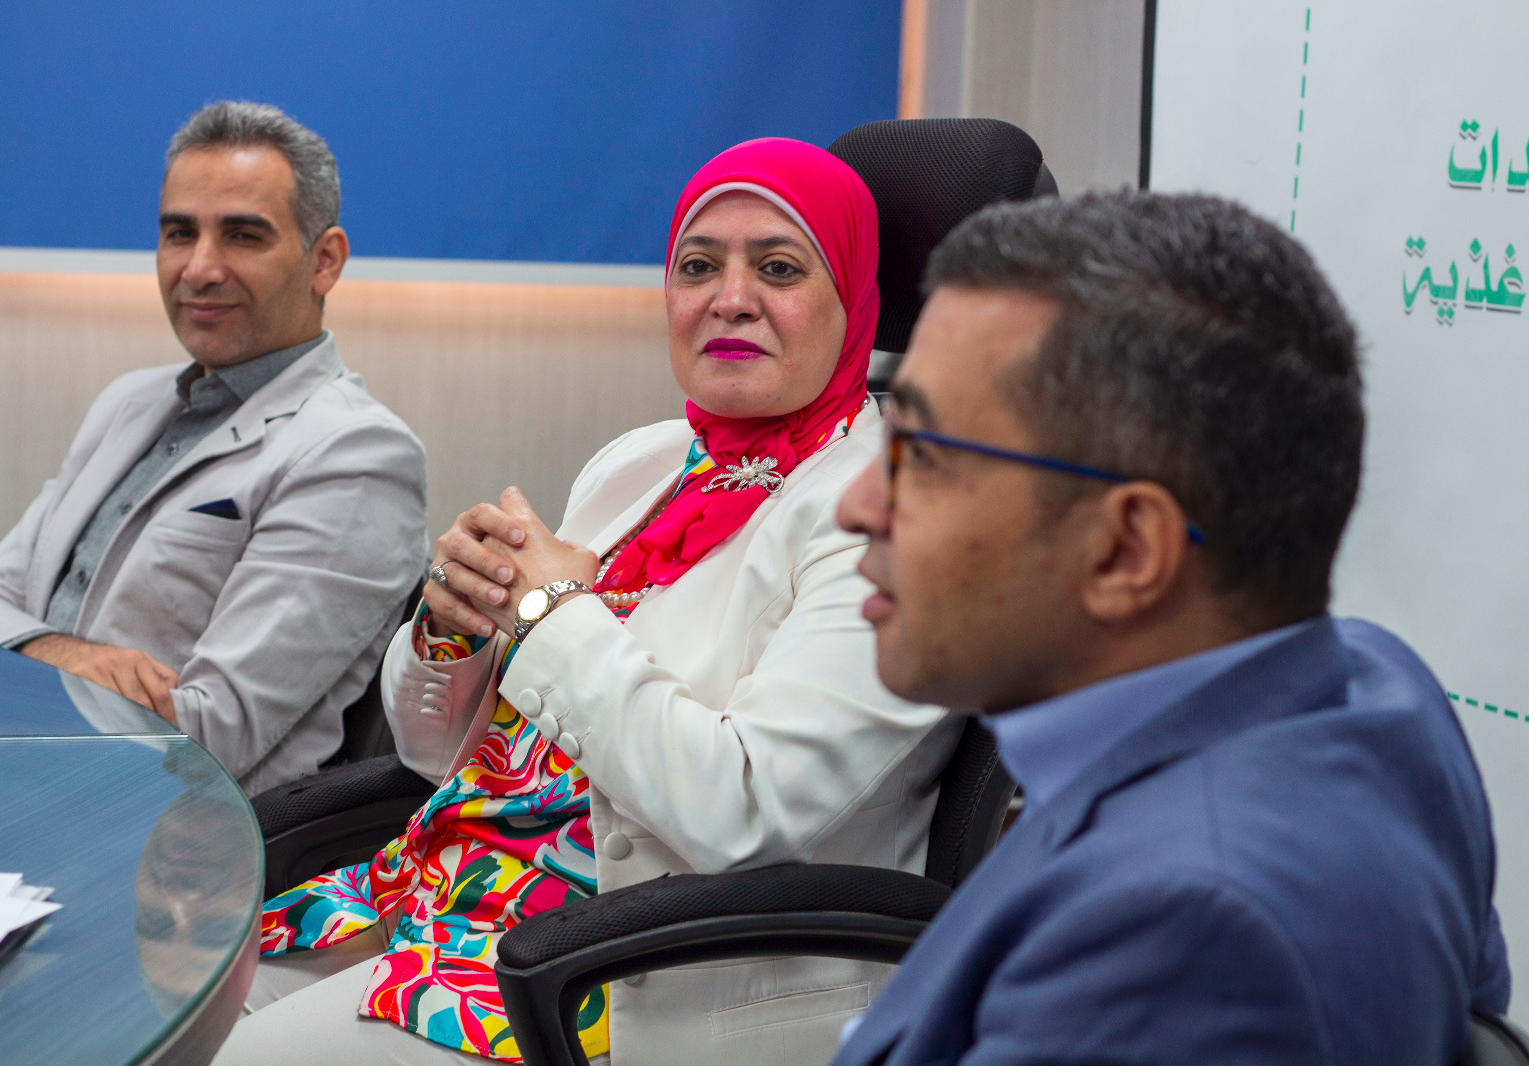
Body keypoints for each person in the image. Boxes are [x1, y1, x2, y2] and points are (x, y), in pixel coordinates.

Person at [214, 138, 958, 1066]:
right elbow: (438, 754)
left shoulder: (900, 517)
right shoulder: (646, 462)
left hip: (610, 965)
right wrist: (452, 631)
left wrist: (551, 612)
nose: (729, 298)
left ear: (853, 298)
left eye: (778, 268)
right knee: (144, 1014)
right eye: (698, 266)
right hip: (445, 897)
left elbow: (741, 811)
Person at [828, 190, 1512, 1065]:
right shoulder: (1376, 685)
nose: (856, 506)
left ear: (1125, 550)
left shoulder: (1183, 938)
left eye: (918, 455)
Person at [0, 101, 427, 795]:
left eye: (242, 236)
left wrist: (13, 659)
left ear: (324, 261)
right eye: (179, 233)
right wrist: (59, 655)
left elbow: (207, 734)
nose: (199, 268)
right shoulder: (128, 403)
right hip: (6, 773)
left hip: (154, 825)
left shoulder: (357, 453)